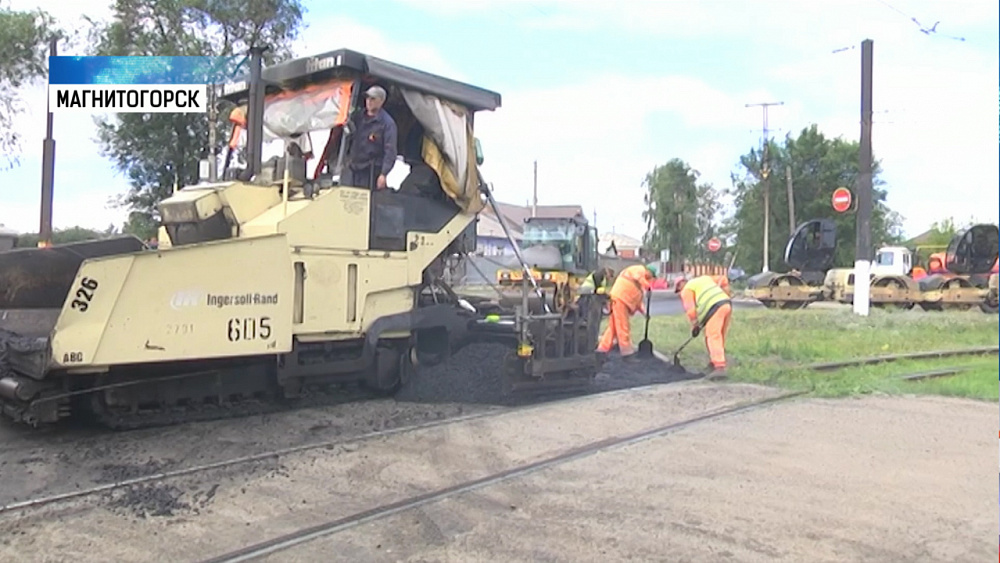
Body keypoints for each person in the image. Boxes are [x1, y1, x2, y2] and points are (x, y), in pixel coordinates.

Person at [674, 274, 732, 380]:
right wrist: (726, 293)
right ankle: (713, 362)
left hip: (714, 307)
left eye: (678, 290)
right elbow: (723, 279)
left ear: (680, 285)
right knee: (719, 336)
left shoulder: (686, 290)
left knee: (713, 336)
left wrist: (695, 324)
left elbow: (691, 310)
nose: (679, 293)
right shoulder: (704, 278)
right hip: (726, 304)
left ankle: (719, 367)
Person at [596, 264, 656, 362]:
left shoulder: (638, 286)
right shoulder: (639, 269)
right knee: (623, 327)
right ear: (648, 271)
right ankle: (627, 354)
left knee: (614, 328)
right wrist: (647, 287)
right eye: (651, 276)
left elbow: (638, 302)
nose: (650, 279)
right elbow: (638, 277)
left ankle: (602, 350)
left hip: (618, 299)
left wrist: (645, 313)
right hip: (620, 299)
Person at [342, 85, 398, 190]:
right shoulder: (357, 117)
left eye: (373, 98)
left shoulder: (387, 124)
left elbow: (390, 151)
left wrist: (383, 174)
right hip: (352, 169)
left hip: (370, 173)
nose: (369, 101)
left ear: (381, 101)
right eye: (367, 98)